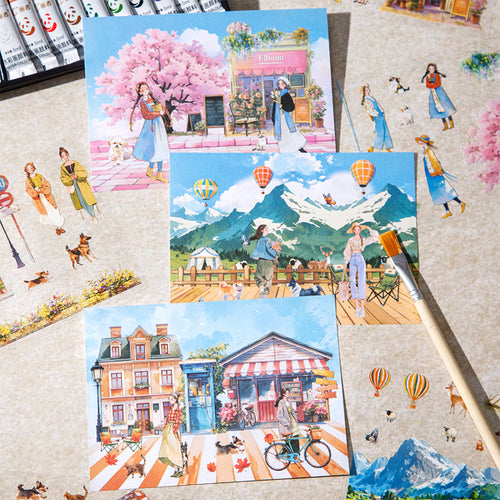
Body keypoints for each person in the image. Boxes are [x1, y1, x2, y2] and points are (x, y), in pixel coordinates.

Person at [415, 135, 466, 219]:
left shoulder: (429, 151)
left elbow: (434, 161)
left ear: (425, 142)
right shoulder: (425, 151)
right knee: (440, 193)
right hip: (431, 175)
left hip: (435, 174)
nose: (420, 142)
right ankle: (448, 211)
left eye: (421, 141)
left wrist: (438, 171)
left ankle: (461, 203)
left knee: (444, 190)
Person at [129, 81, 170, 183]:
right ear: (140, 92)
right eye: (142, 89)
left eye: (146, 88)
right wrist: (158, 113)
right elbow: (146, 115)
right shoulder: (143, 102)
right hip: (150, 127)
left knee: (160, 148)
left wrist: (162, 110)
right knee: (154, 149)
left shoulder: (153, 99)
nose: (145, 90)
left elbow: (161, 107)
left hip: (158, 125)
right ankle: (152, 171)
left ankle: (156, 173)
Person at [343, 222, 379, 318]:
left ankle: (362, 308)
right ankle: (357, 307)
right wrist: (346, 262)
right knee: (352, 280)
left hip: (360, 258)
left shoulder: (363, 239)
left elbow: (375, 237)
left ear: (360, 230)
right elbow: (347, 251)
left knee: (362, 281)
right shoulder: (350, 240)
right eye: (355, 229)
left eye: (359, 229)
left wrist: (369, 229)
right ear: (353, 231)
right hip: (352, 259)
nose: (357, 231)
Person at [59, 147, 98, 224]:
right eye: (62, 156)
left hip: (82, 184)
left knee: (88, 199)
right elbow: (63, 178)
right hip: (74, 186)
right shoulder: (63, 167)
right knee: (81, 201)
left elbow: (83, 172)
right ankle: (91, 214)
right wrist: (70, 179)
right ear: (61, 157)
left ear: (68, 154)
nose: (65, 157)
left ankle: (93, 215)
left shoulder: (75, 163)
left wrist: (77, 176)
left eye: (65, 154)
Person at [24, 162, 65, 235]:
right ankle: (56, 228)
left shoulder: (39, 176)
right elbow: (28, 190)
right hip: (39, 199)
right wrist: (35, 192)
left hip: (46, 196)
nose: (30, 170)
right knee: (47, 213)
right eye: (28, 169)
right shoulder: (27, 181)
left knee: (53, 210)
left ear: (33, 168)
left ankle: (59, 226)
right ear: (26, 170)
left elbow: (46, 184)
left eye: (31, 168)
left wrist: (41, 190)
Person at [272, 76, 307, 153]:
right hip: (279, 118)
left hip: (285, 117)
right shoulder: (277, 95)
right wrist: (273, 119)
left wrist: (282, 106)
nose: (280, 85)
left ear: (285, 85)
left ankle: (298, 146)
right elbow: (274, 108)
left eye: (282, 84)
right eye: (279, 84)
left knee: (290, 132)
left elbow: (291, 107)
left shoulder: (286, 95)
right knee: (283, 134)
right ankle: (285, 149)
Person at [421, 63, 456, 131]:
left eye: (433, 68)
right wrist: (431, 85)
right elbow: (427, 85)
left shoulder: (436, 75)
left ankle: (451, 124)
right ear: (428, 70)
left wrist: (432, 85)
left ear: (435, 69)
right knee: (439, 109)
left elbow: (438, 84)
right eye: (430, 69)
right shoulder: (428, 77)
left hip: (439, 92)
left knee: (445, 106)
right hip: (433, 94)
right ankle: (445, 125)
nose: (431, 70)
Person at [360, 84, 393, 152]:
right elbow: (369, 110)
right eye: (366, 89)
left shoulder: (371, 97)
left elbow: (378, 105)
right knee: (378, 132)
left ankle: (388, 147)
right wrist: (376, 114)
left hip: (380, 115)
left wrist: (382, 112)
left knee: (385, 130)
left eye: (367, 88)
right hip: (376, 116)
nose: (367, 89)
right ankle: (372, 148)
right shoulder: (366, 100)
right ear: (364, 91)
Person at [249, 224, 279, 298]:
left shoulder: (259, 240)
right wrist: (275, 254)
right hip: (268, 262)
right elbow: (269, 249)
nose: (268, 230)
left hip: (260, 261)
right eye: (266, 229)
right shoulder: (267, 240)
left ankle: (261, 286)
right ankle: (265, 295)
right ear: (262, 230)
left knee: (258, 276)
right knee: (268, 278)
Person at [158, 393, 184, 478]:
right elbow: (167, 419)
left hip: (173, 430)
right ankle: (175, 469)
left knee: (175, 449)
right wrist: (164, 426)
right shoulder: (170, 409)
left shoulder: (178, 409)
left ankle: (180, 470)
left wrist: (174, 430)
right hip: (168, 430)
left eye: (172, 399)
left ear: (175, 399)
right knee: (168, 449)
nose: (170, 401)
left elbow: (178, 421)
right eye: (169, 399)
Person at [275, 388, 300, 454]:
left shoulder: (289, 402)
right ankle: (288, 453)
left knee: (296, 436)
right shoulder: (281, 402)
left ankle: (296, 453)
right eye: (287, 393)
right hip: (287, 423)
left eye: (289, 393)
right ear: (283, 394)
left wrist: (296, 420)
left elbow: (292, 412)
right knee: (290, 438)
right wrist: (286, 423)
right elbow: (279, 415)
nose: (288, 394)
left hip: (293, 421)